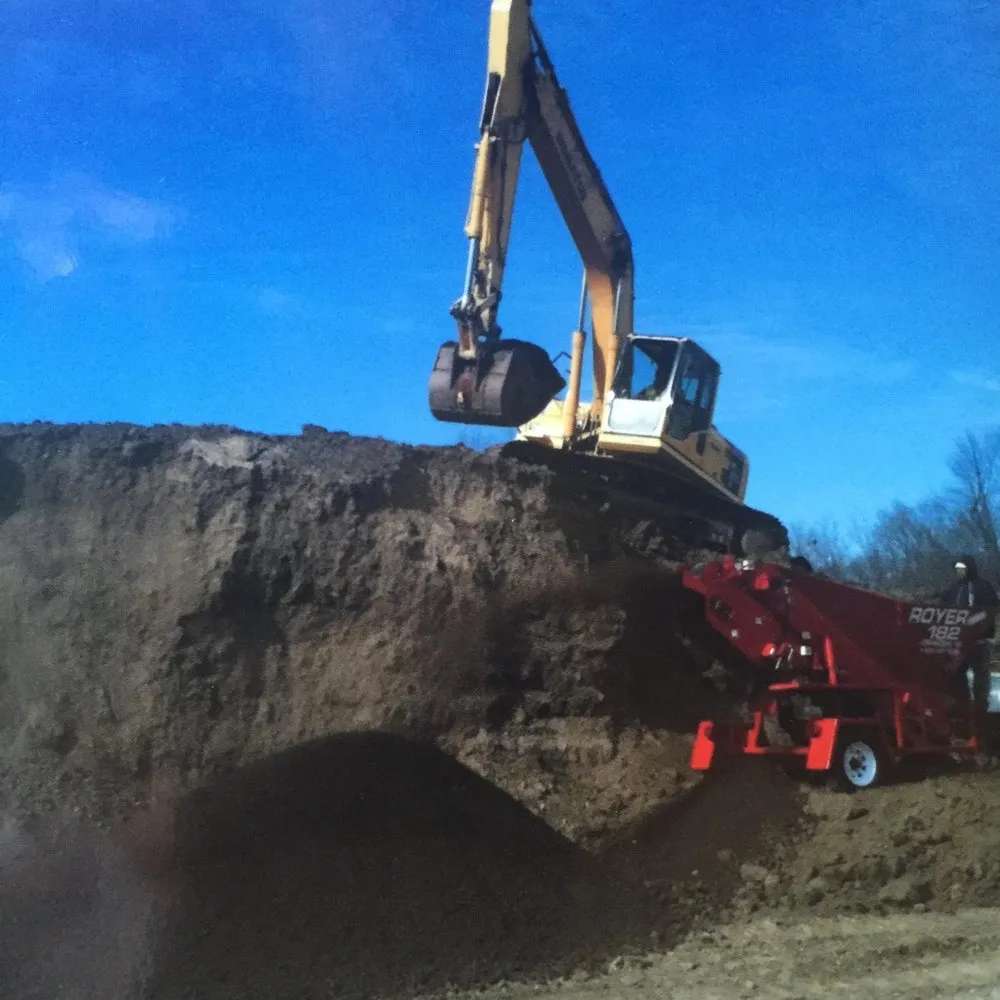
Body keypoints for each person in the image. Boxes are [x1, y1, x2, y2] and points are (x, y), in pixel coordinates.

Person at [940, 555, 999, 747]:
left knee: (981, 676)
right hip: (959, 642)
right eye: (957, 569)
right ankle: (962, 710)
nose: (960, 572)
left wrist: (979, 624)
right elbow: (945, 607)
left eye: (962, 568)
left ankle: (981, 711)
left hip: (980, 641)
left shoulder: (983, 587)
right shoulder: (954, 589)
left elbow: (992, 609)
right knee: (957, 675)